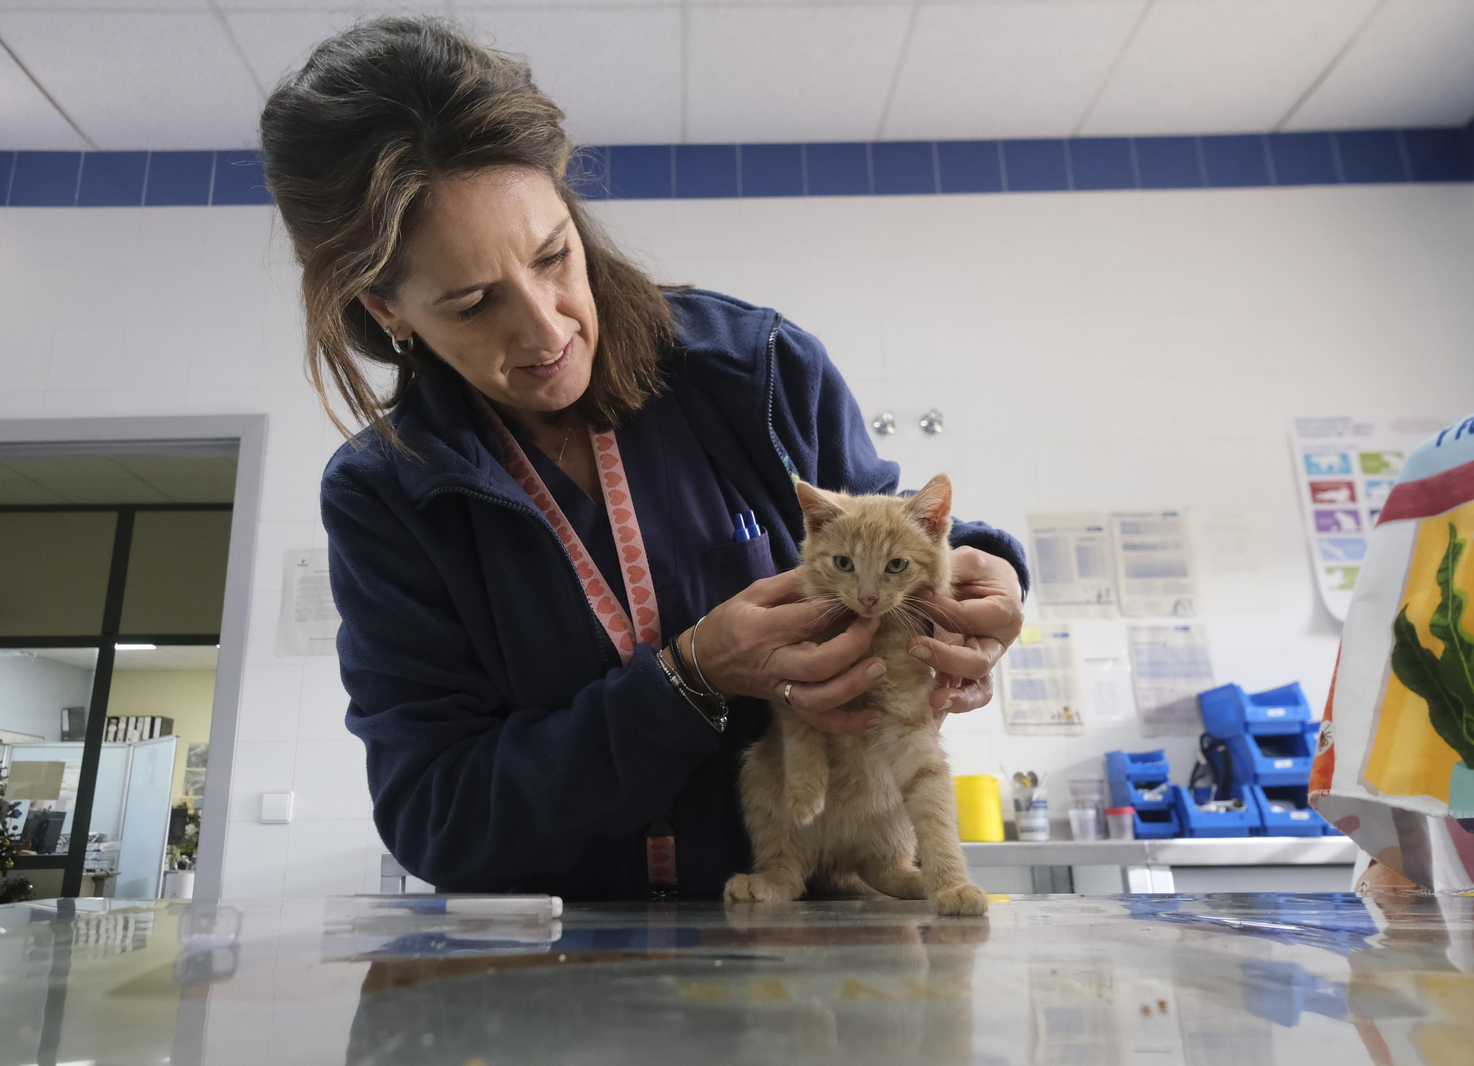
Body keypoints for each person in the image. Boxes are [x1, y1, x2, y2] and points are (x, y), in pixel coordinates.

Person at [259, 17, 1029, 900]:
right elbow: (441, 820)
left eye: (555, 256)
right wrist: (686, 679)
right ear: (388, 310)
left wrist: (993, 577)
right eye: (473, 303)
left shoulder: (758, 373)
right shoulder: (388, 495)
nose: (549, 330)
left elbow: (895, 529)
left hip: (805, 956)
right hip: (562, 978)